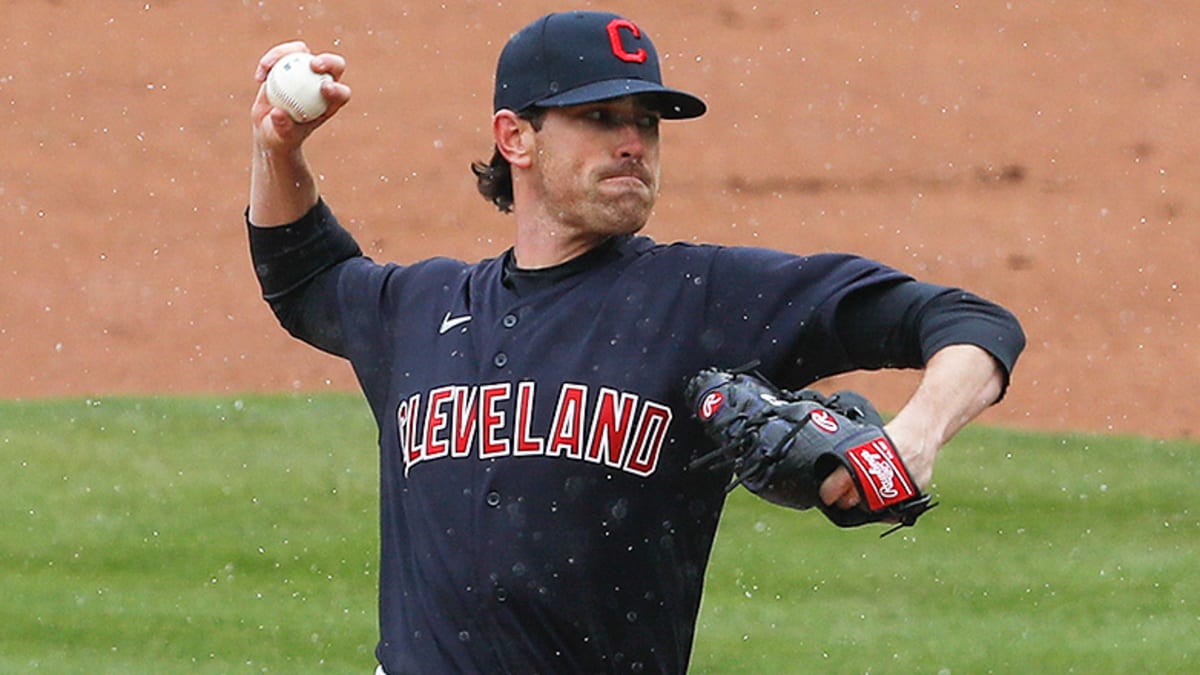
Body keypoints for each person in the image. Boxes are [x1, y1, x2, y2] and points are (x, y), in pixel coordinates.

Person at [246, 10, 1025, 674]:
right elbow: (304, 276)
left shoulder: (705, 296)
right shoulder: (419, 308)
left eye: (646, 122)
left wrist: (915, 435)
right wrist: (279, 149)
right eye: (600, 118)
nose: (633, 142)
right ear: (514, 137)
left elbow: (969, 322)